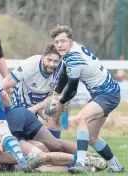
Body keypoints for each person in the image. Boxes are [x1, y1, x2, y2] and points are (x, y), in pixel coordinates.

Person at [50, 24, 125, 173]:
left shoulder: (74, 58)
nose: (59, 44)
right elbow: (64, 74)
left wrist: (60, 102)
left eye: (63, 41)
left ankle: (80, 163)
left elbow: (72, 89)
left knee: (80, 119)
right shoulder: (71, 52)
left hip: (107, 94)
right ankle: (117, 167)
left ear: (70, 42)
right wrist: (55, 94)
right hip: (104, 94)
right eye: (57, 42)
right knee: (91, 137)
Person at [2, 43, 67, 139]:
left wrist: (35, 108)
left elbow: (55, 96)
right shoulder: (29, 65)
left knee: (55, 113)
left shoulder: (62, 69)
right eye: (49, 60)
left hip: (43, 102)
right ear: (42, 57)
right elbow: (7, 81)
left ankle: (55, 147)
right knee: (22, 136)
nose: (52, 64)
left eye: (55, 61)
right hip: (23, 100)